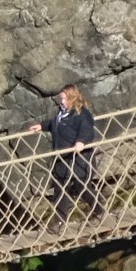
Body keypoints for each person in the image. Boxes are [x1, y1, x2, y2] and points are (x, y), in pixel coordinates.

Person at [25, 85, 99, 225]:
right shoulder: (61, 113)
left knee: (82, 187)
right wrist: (42, 126)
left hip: (78, 159)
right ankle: (59, 222)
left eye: (64, 99)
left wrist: (81, 142)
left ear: (72, 99)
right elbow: (55, 124)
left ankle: (99, 210)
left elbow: (87, 130)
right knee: (60, 190)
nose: (61, 102)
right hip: (62, 158)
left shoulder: (82, 114)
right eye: (61, 99)